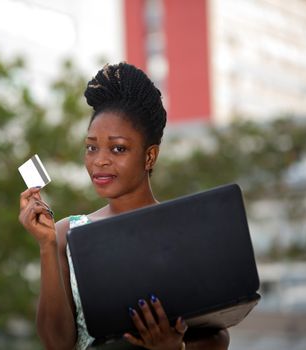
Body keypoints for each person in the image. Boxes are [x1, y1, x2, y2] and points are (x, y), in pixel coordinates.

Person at [19, 62, 230, 350]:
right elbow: (57, 344)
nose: (99, 160)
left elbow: (217, 338)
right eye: (92, 147)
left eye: (118, 148)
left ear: (149, 156)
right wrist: (46, 245)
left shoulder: (183, 231)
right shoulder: (65, 234)